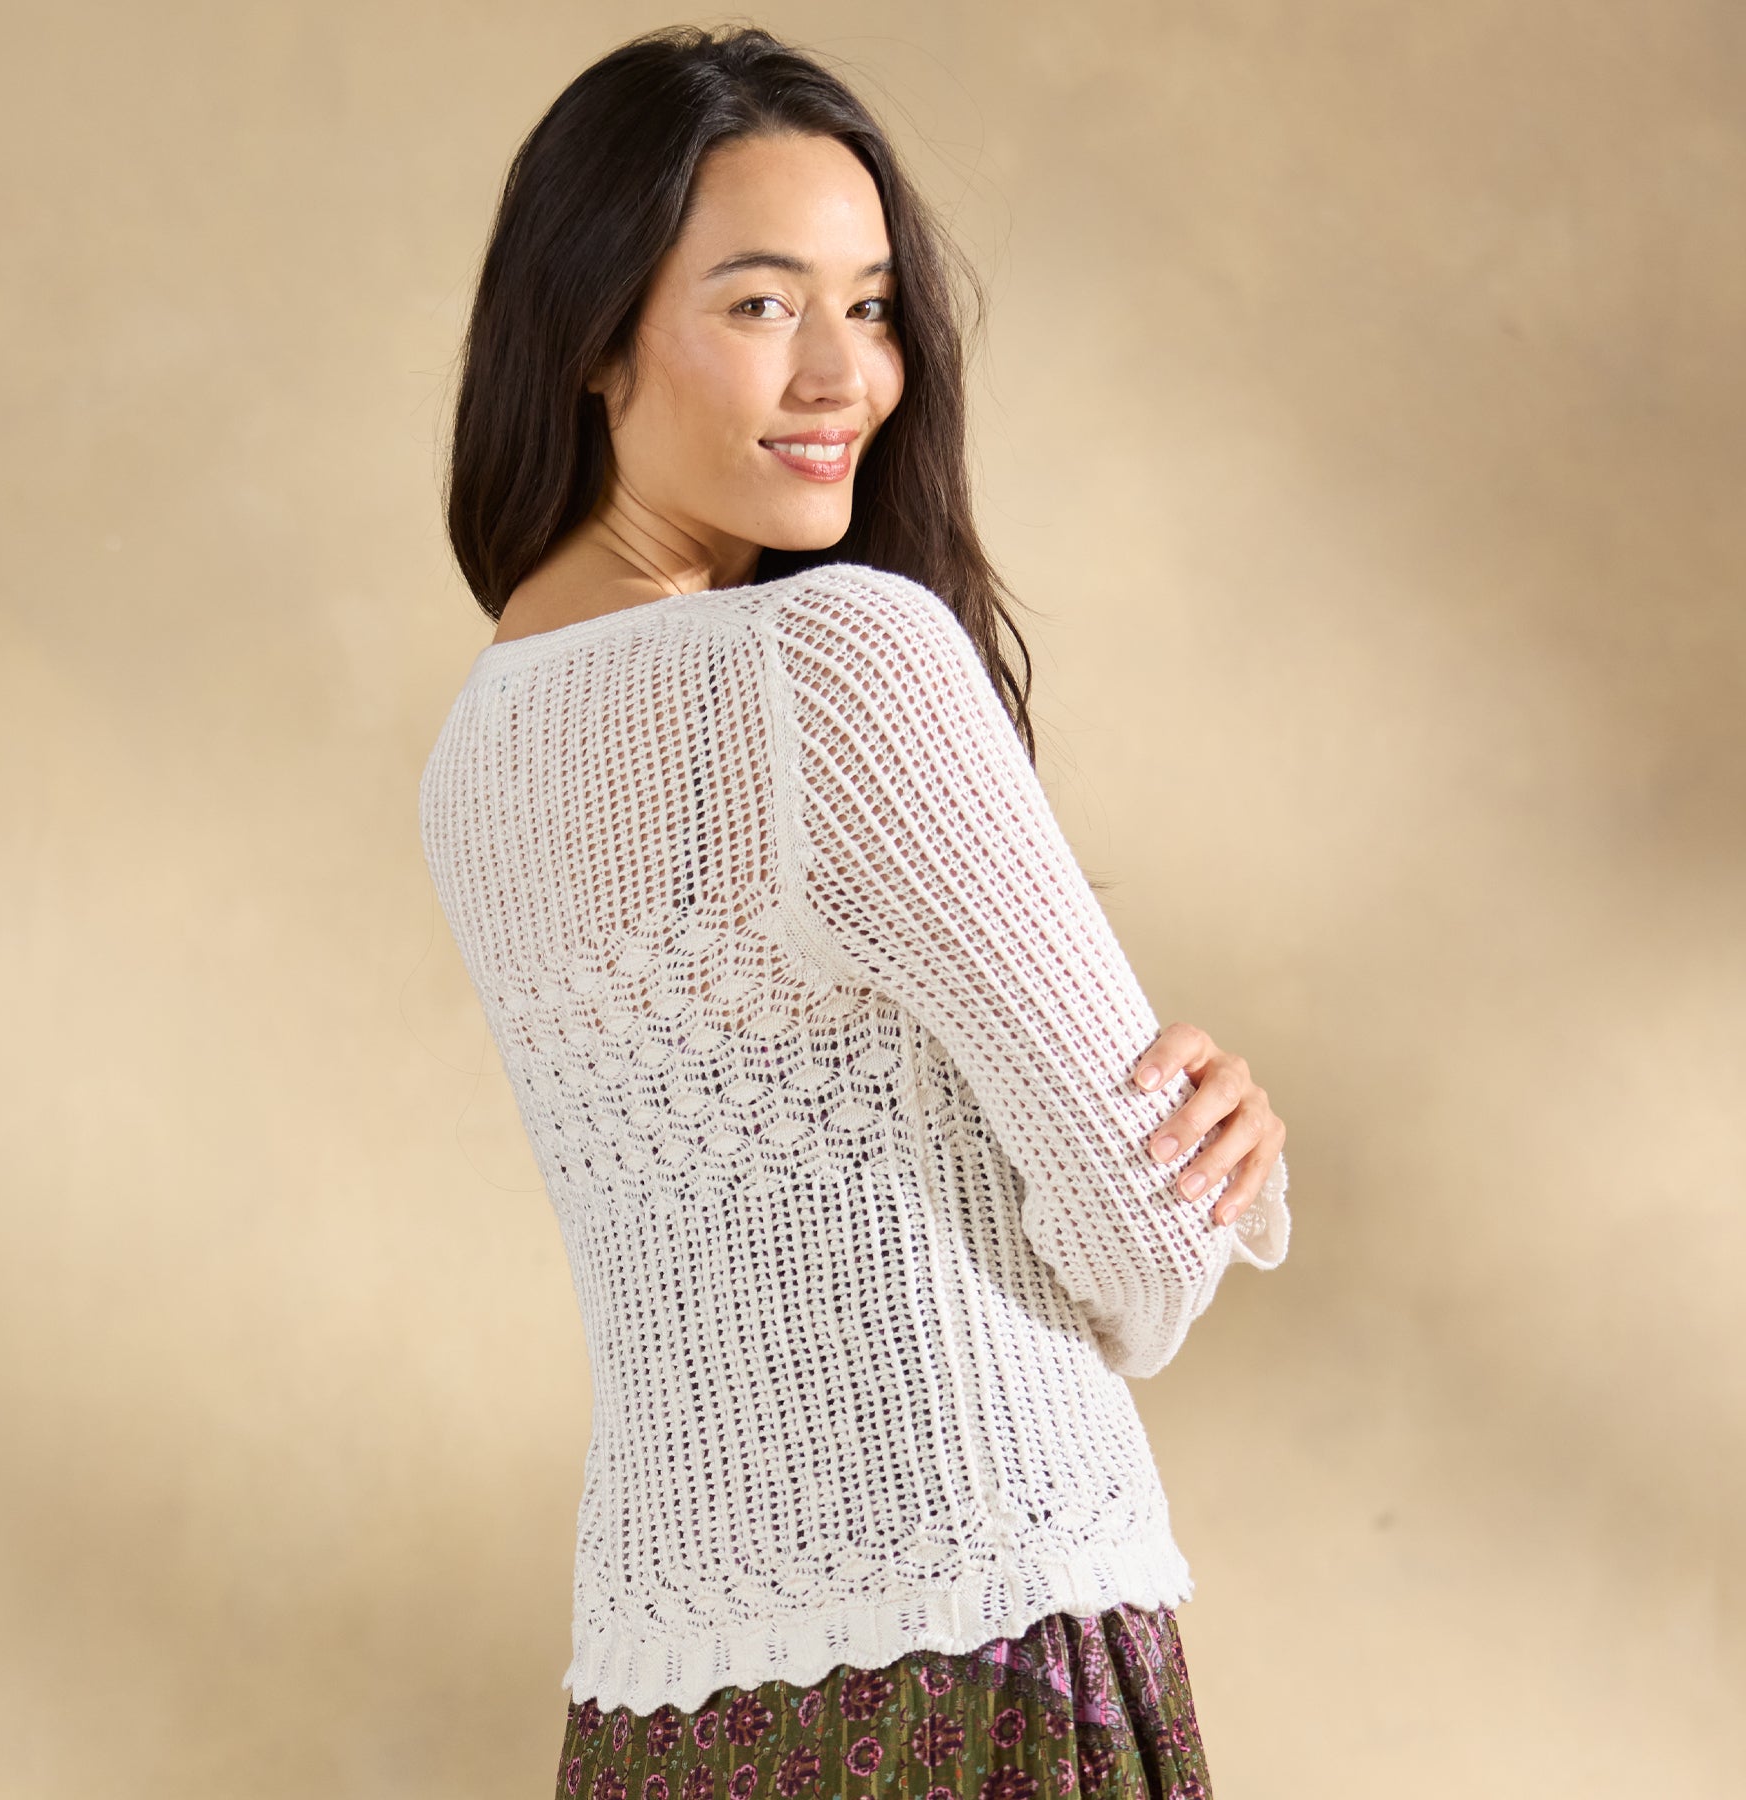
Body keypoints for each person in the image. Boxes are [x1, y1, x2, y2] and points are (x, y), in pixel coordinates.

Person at [418, 25, 1291, 1800]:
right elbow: (1143, 1255)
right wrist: (1228, 1177)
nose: (845, 376)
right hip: (984, 1641)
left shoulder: (475, 757)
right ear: (591, 333)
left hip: (663, 1696)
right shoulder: (837, 658)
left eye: (874, 307)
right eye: (761, 304)